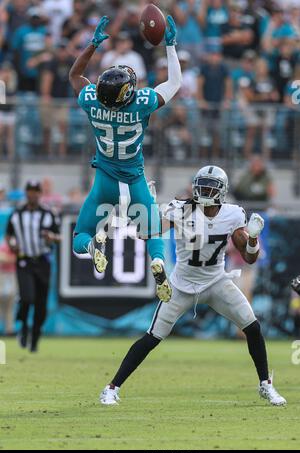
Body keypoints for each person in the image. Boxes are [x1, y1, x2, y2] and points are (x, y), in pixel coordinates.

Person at [100, 165, 287, 407]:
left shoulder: (232, 214)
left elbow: (250, 257)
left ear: (221, 191)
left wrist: (252, 239)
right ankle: (111, 388)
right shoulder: (181, 208)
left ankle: (265, 385)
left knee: (252, 327)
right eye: (201, 185)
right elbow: (146, 234)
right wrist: (146, 213)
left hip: (217, 281)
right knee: (152, 337)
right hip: (182, 285)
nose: (203, 190)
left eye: (209, 186)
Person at [69, 16, 182, 303]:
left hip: (104, 182)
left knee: (80, 236)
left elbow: (74, 75)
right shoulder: (141, 103)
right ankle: (157, 263)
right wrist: (170, 46)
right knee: (153, 229)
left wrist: (92, 44)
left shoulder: (92, 101)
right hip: (134, 182)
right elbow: (175, 82)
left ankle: (94, 245)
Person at [5, 181, 60, 352]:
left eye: (36, 191)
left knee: (41, 304)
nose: (33, 194)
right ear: (26, 192)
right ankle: (23, 327)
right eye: (30, 191)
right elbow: (9, 235)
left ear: (40, 194)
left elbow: (60, 236)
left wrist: (51, 237)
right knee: (27, 297)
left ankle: (35, 337)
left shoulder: (48, 213)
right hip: (24, 260)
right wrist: (12, 245)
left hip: (43, 260)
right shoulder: (17, 213)